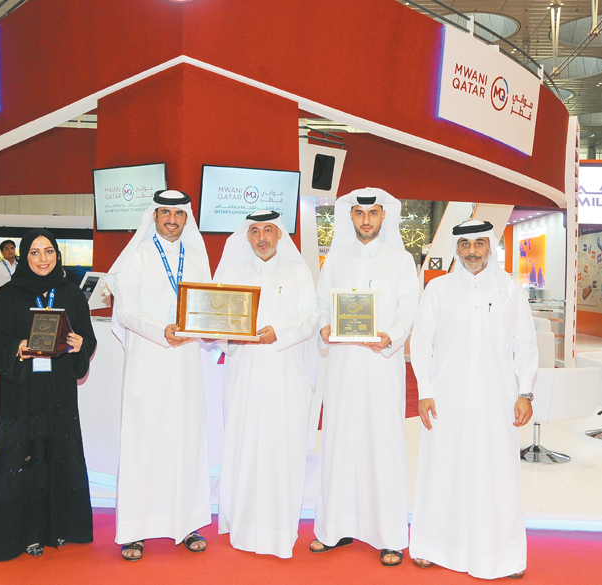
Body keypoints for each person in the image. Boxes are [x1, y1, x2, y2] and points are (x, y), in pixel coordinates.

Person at [408, 220, 537, 579]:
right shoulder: (438, 290)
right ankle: (432, 546)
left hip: (498, 401)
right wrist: (425, 391)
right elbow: (421, 344)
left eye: (479, 243)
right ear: (457, 249)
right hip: (446, 400)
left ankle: (503, 555)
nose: (472, 252)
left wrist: (525, 391)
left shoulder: (511, 289)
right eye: (465, 244)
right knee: (441, 471)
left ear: (490, 246)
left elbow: (525, 343)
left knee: (496, 475)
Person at [311, 188, 418, 567]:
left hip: (380, 367)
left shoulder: (401, 260)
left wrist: (390, 336)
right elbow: (322, 305)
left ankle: (388, 535)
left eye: (372, 213)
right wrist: (324, 326)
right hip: (341, 367)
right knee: (340, 444)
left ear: (383, 217)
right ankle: (333, 528)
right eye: (359, 213)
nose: (366, 220)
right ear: (350, 217)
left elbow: (409, 309)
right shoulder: (335, 259)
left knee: (381, 446)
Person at [106, 190, 212, 561]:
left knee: (185, 441)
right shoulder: (136, 256)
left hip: (185, 366)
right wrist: (160, 330)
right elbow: (125, 312)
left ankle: (187, 523)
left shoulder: (197, 257)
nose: (172, 219)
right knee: (144, 444)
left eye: (178, 214)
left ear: (187, 218)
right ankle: (135, 530)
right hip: (148, 361)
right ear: (154, 216)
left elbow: (209, 307)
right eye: (165, 212)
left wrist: (213, 327)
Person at [0, 229, 97, 561]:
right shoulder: (6, 295)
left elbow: (86, 337)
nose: (43, 259)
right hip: (23, 390)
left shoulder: (72, 294)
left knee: (57, 453)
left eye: (49, 251)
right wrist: (16, 347)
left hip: (59, 387)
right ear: (24, 256)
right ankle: (25, 533)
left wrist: (79, 346)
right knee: (23, 456)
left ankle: (57, 528)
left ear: (57, 255)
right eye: (34, 252)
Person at [213, 210, 318, 558]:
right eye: (255, 231)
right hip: (243, 374)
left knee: (280, 448)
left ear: (279, 235)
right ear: (247, 236)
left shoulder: (298, 271)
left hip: (285, 374)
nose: (262, 238)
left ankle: (277, 532)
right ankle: (242, 526)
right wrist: (230, 335)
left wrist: (278, 334)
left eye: (268, 230)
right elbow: (216, 321)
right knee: (244, 446)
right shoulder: (230, 272)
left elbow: (310, 318)